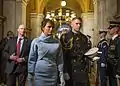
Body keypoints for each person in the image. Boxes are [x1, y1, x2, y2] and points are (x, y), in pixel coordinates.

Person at [28, 19, 65, 86]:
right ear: (43, 28)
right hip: (39, 74)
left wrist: (61, 76)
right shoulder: (36, 41)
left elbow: (60, 60)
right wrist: (30, 76)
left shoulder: (57, 42)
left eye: (52, 27)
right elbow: (32, 60)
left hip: (52, 74)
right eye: (49, 27)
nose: (51, 29)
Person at [60, 17, 90, 86]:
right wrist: (64, 71)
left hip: (82, 69)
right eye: (76, 23)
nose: (78, 25)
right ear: (71, 24)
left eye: (80, 24)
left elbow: (86, 52)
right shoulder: (65, 37)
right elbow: (63, 55)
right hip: (70, 68)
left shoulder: (84, 37)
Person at [107, 21, 120, 86]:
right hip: (111, 67)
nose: (109, 29)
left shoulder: (118, 40)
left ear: (116, 29)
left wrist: (118, 71)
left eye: (111, 28)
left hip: (115, 68)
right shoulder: (112, 40)